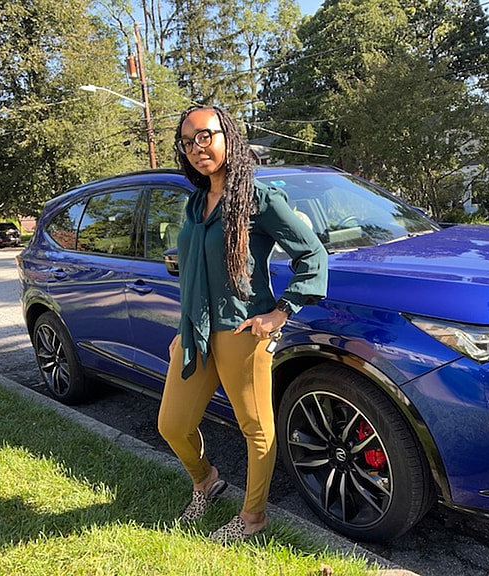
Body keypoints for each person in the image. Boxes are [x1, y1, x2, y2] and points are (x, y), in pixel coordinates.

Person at [157, 105, 328, 543]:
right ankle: (206, 481)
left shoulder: (258, 198)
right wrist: (182, 330)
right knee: (173, 424)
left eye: (205, 136)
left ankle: (254, 518)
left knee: (255, 429)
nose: (198, 148)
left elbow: (311, 255)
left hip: (240, 331)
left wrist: (279, 313)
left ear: (228, 136)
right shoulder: (195, 204)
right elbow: (194, 269)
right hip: (196, 332)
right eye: (188, 141)